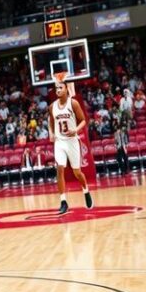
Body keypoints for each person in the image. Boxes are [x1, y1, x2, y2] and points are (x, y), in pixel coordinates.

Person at [49, 79, 93, 215]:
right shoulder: (52, 106)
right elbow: (51, 122)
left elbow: (84, 120)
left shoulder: (73, 103)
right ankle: (63, 202)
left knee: (77, 172)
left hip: (72, 141)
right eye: (56, 88)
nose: (58, 90)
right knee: (60, 168)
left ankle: (85, 190)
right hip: (60, 142)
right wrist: (51, 133)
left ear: (66, 89)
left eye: (60, 88)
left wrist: (76, 130)